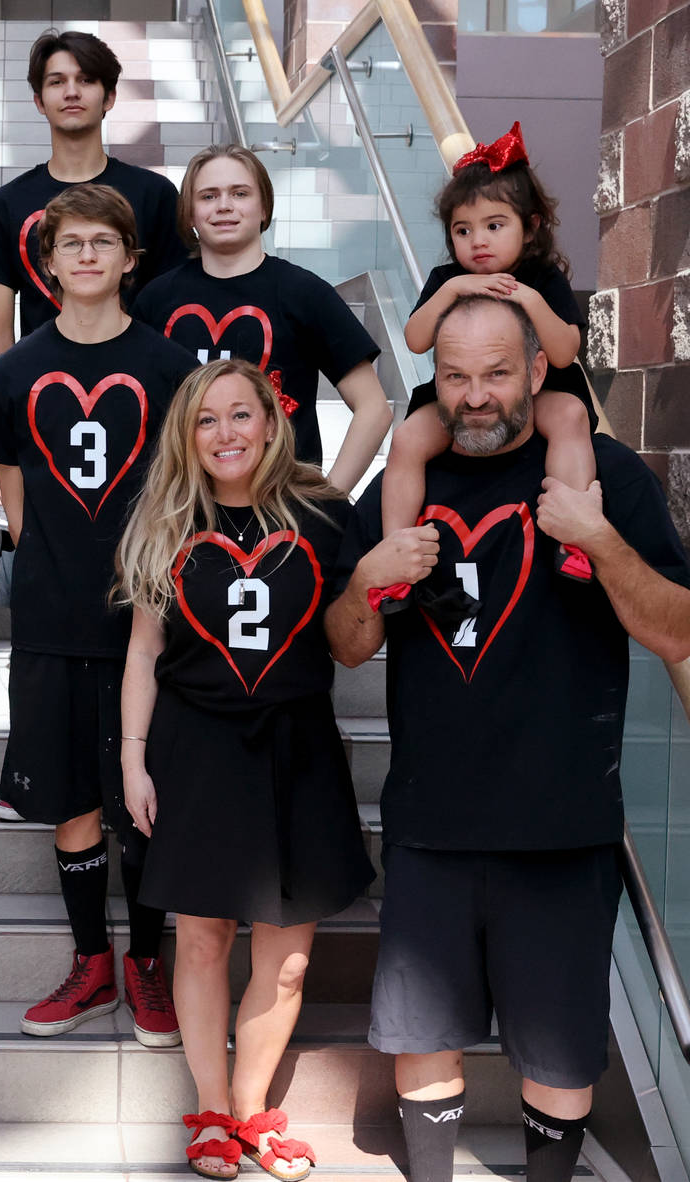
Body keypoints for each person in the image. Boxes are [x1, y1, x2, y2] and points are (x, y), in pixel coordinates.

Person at [325, 295, 690, 1182]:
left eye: (496, 374)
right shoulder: (406, 484)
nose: (476, 397)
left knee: (560, 1056)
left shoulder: (601, 473)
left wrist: (596, 538)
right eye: (455, 377)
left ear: (536, 371)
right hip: (430, 824)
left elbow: (677, 627)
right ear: (433, 381)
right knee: (422, 1039)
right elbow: (346, 643)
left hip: (564, 826)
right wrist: (368, 579)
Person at [117, 360, 374, 1180]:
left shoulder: (324, 515)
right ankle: (211, 1112)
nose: (225, 433)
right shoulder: (166, 518)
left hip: (298, 745)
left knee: (289, 956)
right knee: (199, 940)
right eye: (206, 420)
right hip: (196, 748)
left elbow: (350, 633)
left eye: (240, 415)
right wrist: (133, 759)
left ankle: (252, 1111)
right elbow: (145, 652)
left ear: (271, 422)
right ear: (186, 436)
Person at [0, 182, 197, 1046]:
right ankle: (91, 961)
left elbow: (186, 479)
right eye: (73, 244)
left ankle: (146, 959)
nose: (89, 256)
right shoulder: (16, 369)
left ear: (131, 259)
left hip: (145, 618)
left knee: (141, 797)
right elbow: (10, 471)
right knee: (71, 794)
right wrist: (41, 551)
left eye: (106, 242)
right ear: (47, 262)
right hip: (51, 613)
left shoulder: (170, 364)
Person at [371, 121, 597, 613]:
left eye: (495, 226)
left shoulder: (541, 277)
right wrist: (451, 292)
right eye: (462, 230)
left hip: (542, 392)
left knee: (572, 420)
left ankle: (573, 535)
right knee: (408, 439)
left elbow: (563, 353)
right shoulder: (448, 278)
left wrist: (530, 300)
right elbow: (414, 340)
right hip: (461, 397)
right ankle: (398, 556)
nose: (478, 242)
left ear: (531, 227)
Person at [132, 144, 391, 495]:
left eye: (240, 193)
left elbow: (374, 408)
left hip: (281, 505)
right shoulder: (156, 299)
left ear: (264, 207)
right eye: (208, 196)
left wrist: (329, 498)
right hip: (184, 504)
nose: (224, 205)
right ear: (189, 213)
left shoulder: (305, 292)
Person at [0, 28, 185, 367]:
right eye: (56, 82)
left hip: (137, 384)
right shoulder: (6, 204)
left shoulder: (155, 195)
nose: (71, 92)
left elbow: (173, 308)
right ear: (39, 101)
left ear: (109, 97)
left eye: (86, 80)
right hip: (41, 388)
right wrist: (0, 404)